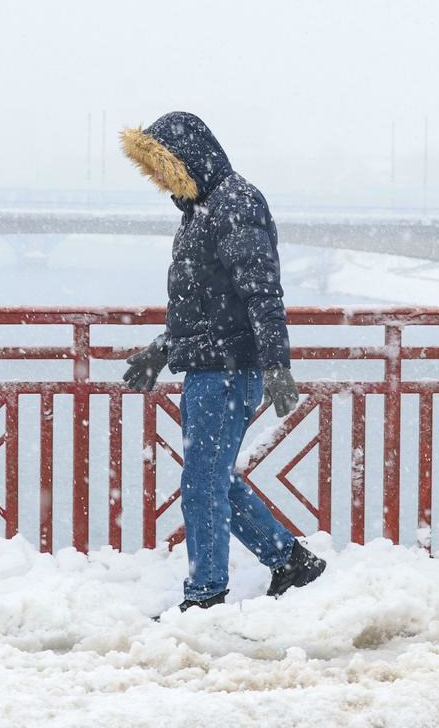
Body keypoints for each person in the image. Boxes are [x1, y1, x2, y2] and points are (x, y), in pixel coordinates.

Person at [120, 112, 326, 612]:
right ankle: (290, 561)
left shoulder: (235, 203)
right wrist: (164, 349)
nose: (160, 179)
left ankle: (206, 595)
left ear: (189, 159)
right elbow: (211, 305)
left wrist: (277, 365)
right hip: (207, 369)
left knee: (201, 485)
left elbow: (261, 292)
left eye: (163, 167)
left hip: (228, 373)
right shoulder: (201, 211)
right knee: (213, 478)